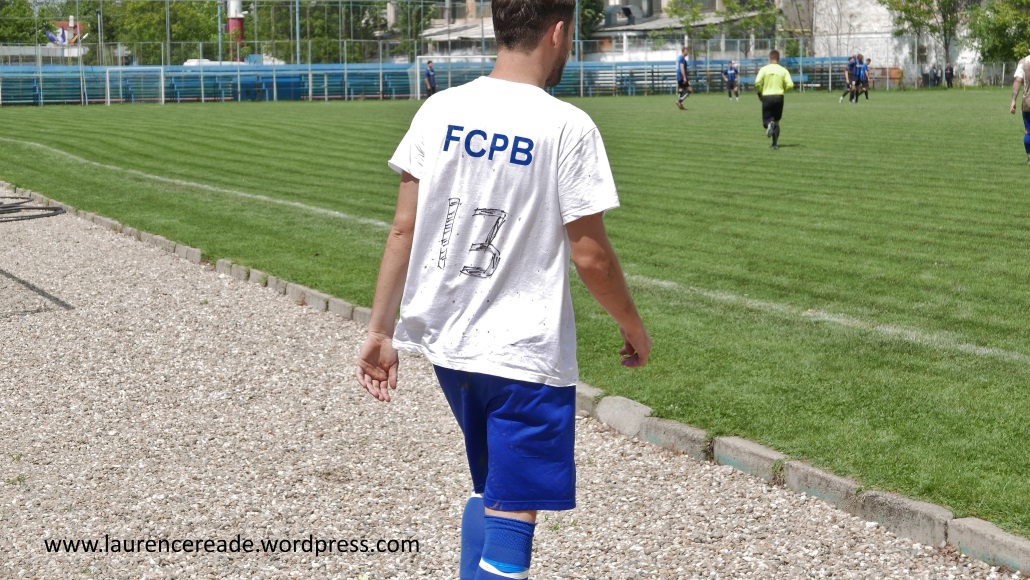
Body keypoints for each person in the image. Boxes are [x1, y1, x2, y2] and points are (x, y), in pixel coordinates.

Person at [355, 1, 652, 578]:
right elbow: (591, 257)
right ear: (558, 32)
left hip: (451, 348)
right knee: (514, 513)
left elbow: (403, 229)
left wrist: (379, 330)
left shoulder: (440, 109)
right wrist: (632, 326)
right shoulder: (567, 125)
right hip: (523, 353)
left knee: (490, 486)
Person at [754, 49, 794, 150]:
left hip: (767, 97)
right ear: (778, 59)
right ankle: (774, 144)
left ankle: (769, 124)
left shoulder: (764, 69)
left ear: (770, 58)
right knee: (776, 122)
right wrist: (783, 88)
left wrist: (759, 92)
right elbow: (790, 85)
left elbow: (757, 82)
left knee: (765, 122)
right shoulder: (783, 70)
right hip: (779, 97)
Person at [1008, 47, 1030, 164]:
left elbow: (1018, 81)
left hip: (1027, 102)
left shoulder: (1023, 62)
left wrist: (1013, 100)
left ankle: (1029, 157)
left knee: (1028, 130)